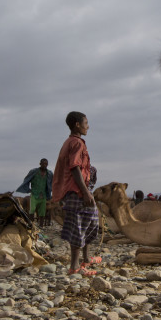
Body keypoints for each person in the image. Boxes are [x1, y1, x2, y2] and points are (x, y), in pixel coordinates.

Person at [52, 111, 101, 276]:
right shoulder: (76, 143)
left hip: (76, 191)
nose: (88, 126)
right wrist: (86, 192)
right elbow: (75, 167)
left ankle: (85, 259)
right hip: (76, 191)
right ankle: (74, 267)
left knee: (89, 222)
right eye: (86, 123)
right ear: (77, 125)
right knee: (80, 226)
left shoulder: (71, 142)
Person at [16, 158, 53, 228]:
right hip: (34, 194)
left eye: (46, 164)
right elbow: (27, 179)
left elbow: (52, 182)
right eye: (43, 164)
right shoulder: (34, 172)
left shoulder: (49, 173)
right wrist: (29, 189)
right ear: (40, 164)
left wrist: (50, 191)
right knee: (32, 210)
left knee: (42, 211)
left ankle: (41, 226)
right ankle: (31, 225)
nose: (45, 165)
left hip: (43, 195)